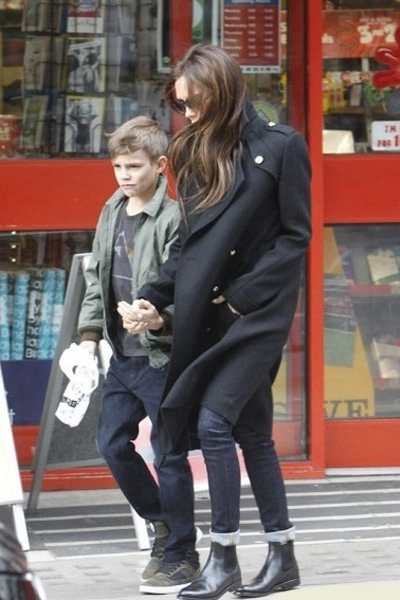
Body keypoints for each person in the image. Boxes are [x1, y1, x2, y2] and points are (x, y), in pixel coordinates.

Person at [118, 44, 312, 599]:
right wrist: (155, 297)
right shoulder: (194, 150)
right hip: (213, 313)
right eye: (182, 106)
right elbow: (190, 244)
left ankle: (222, 557)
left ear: (223, 93)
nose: (189, 114)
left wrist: (240, 300)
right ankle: (282, 555)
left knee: (213, 424)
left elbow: (294, 238)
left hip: (257, 313)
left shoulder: (282, 146)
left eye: (196, 103)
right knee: (252, 433)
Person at [77, 116, 200, 594]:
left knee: (169, 454)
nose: (124, 175)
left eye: (134, 166)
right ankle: (164, 524)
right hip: (122, 357)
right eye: (117, 167)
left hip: (160, 357)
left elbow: (185, 287)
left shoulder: (173, 218)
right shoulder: (111, 210)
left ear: (160, 165)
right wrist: (89, 336)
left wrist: (159, 320)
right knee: (110, 444)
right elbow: (97, 278)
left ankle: (182, 555)